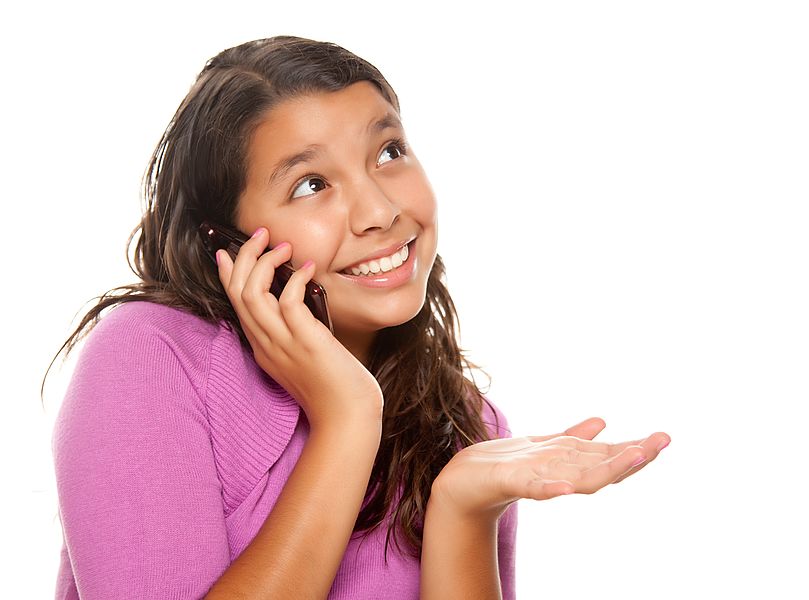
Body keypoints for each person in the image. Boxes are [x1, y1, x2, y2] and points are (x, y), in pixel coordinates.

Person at [45, 36, 671, 599]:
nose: (378, 210)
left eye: (389, 150)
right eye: (311, 185)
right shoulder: (149, 358)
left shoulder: (468, 425)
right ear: (230, 243)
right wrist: (346, 422)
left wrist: (463, 509)